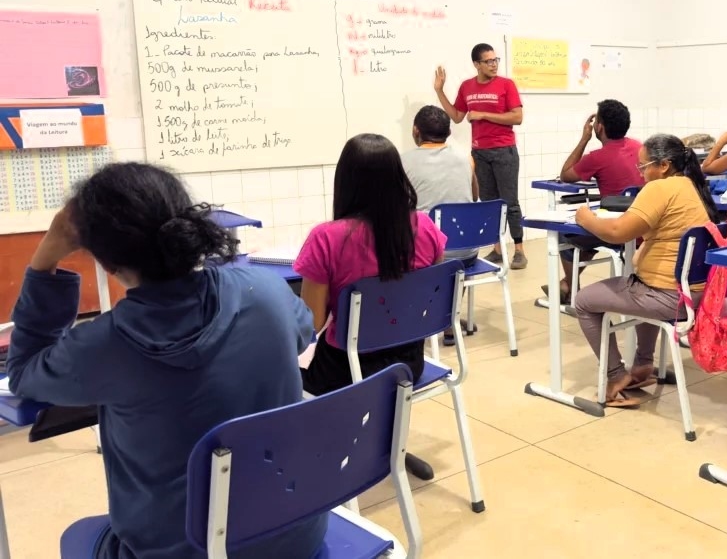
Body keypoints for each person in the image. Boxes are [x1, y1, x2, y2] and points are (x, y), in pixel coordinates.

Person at [7, 163, 325, 559]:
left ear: (106, 263)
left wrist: (47, 253)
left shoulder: (103, 346)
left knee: (85, 534)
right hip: (295, 537)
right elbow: (303, 330)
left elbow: (22, 371)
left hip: (178, 551)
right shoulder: (265, 292)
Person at [572, 134, 719, 407]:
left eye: (643, 167)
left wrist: (586, 218)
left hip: (666, 297)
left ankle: (615, 375)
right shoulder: (690, 185)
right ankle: (642, 365)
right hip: (693, 295)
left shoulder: (659, 188)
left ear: (663, 165)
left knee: (583, 301)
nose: (640, 174)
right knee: (638, 282)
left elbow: (617, 232)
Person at [295, 133, 447, 395]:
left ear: (345, 181)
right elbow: (435, 291)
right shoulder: (425, 226)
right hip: (409, 362)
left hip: (343, 369)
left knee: (275, 371)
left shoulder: (325, 238)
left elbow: (311, 324)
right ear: (398, 177)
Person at [433, 43, 527, 269]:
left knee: (510, 201)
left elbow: (517, 117)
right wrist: (439, 91)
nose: (494, 65)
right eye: (488, 61)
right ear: (477, 64)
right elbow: (456, 116)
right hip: (480, 152)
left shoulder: (506, 85)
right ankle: (496, 248)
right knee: (488, 202)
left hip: (504, 151)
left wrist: (483, 114)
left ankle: (519, 250)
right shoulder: (467, 87)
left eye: (496, 60)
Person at [546, 99, 643, 300]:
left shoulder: (597, 157)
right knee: (589, 234)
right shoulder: (639, 147)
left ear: (599, 126)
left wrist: (584, 139)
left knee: (565, 233)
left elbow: (565, 174)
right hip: (642, 227)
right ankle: (566, 284)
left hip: (617, 230)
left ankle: (570, 287)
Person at [403, 104, 479, 263]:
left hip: (429, 256)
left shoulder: (402, 162)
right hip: (467, 252)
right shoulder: (466, 159)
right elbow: (474, 197)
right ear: (449, 132)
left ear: (415, 131)